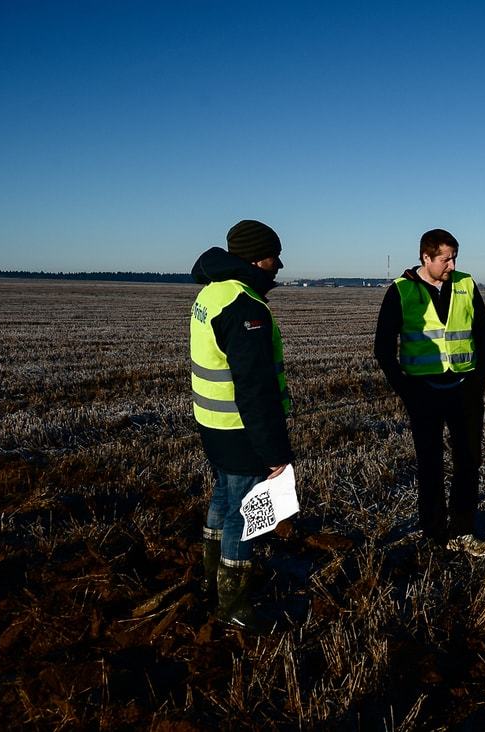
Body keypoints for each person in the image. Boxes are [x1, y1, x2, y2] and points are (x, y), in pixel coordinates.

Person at [190, 219, 293, 634]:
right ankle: (232, 602)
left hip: (212, 423)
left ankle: (210, 579)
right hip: (239, 427)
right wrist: (274, 453)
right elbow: (254, 390)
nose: (279, 264)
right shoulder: (244, 307)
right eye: (274, 255)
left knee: (221, 497)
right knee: (243, 514)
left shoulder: (212, 293)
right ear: (254, 258)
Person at [374, 228, 485, 557]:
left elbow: (483, 332)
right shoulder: (401, 290)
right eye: (445, 259)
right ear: (426, 257)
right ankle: (435, 532)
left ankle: (464, 530)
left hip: (464, 390)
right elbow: (383, 349)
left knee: (468, 462)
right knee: (430, 463)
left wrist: (479, 381)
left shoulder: (466, 284)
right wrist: (407, 390)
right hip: (423, 392)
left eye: (455, 257)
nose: (452, 264)